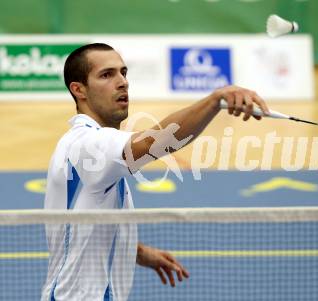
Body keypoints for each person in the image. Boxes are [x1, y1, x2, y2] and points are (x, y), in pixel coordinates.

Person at [41, 43, 270, 301]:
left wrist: (134, 251)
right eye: (107, 75)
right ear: (78, 89)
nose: (122, 82)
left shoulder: (80, 144)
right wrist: (215, 100)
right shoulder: (89, 144)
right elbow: (154, 142)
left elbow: (85, 220)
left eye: (123, 73)